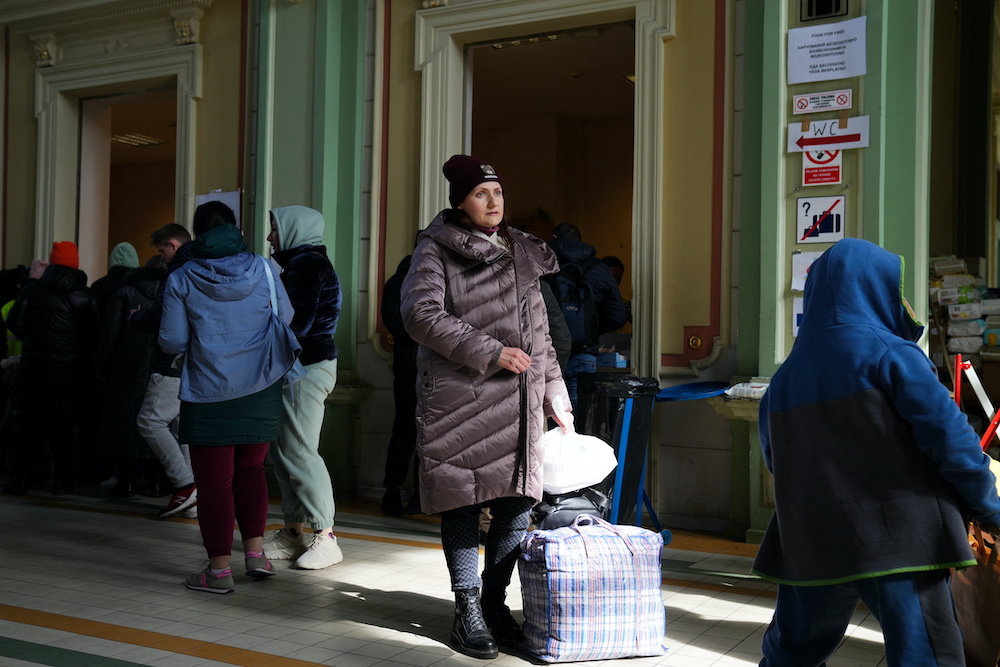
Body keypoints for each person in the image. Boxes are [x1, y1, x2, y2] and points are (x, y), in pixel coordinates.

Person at [753, 238, 1000, 666]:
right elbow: (953, 442)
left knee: (792, 651)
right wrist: (990, 509)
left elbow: (778, 461)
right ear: (873, 288)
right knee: (925, 653)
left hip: (812, 537)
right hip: (901, 539)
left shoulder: (784, 379)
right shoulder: (893, 354)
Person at [401, 155, 572, 659]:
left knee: (517, 504)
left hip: (519, 402)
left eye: (497, 191)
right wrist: (491, 351)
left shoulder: (521, 249)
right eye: (480, 193)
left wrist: (554, 393)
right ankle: (467, 607)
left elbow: (539, 334)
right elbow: (419, 314)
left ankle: (496, 604)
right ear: (460, 201)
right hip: (461, 399)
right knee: (461, 501)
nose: (493, 201)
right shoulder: (435, 250)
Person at [159, 201, 301, 593]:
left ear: (197, 233)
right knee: (252, 471)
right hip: (261, 386)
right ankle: (255, 554)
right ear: (235, 228)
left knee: (214, 481)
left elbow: (171, 339)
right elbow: (285, 316)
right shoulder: (265, 267)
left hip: (208, 390)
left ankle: (218, 570)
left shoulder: (183, 277)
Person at [260, 205, 345, 570]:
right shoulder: (302, 263)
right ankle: (294, 532)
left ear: (293, 230)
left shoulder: (306, 265)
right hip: (302, 366)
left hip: (305, 368)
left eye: (275, 229)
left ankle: (325, 535)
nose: (269, 237)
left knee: (299, 452)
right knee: (286, 451)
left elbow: (298, 322)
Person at [4, 243, 99, 495]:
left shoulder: (32, 290)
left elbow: (15, 323)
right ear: (76, 263)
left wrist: (36, 341)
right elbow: (94, 336)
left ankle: (21, 480)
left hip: (34, 369)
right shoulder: (86, 295)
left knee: (28, 429)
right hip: (69, 372)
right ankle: (63, 482)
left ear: (52, 262)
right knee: (63, 429)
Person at [132, 223, 197, 518]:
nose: (161, 257)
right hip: (196, 361)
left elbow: (163, 316)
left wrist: (136, 318)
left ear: (173, 244)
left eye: (162, 251)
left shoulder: (176, 273)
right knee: (180, 427)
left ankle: (185, 485)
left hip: (172, 359)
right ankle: (194, 499)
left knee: (150, 422)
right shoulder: (202, 268)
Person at [94, 248, 164, 498]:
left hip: (126, 364)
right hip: (160, 363)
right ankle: (156, 481)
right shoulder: (169, 291)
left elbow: (109, 334)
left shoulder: (124, 291)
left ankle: (127, 481)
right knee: (158, 422)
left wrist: (100, 367)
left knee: (124, 423)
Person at [546, 222, 627, 408]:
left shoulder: (542, 265)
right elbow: (617, 316)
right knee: (579, 411)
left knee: (547, 408)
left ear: (554, 239)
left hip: (548, 351)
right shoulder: (600, 269)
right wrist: (589, 328)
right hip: (584, 352)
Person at [380, 253, 421, 516]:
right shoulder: (402, 279)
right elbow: (394, 321)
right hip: (412, 367)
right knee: (407, 431)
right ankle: (394, 492)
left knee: (414, 433)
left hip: (415, 366)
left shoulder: (402, 280)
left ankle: (417, 493)